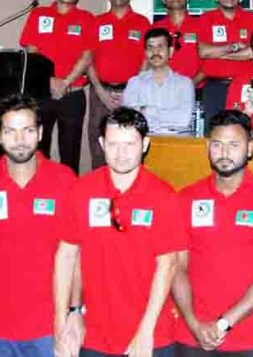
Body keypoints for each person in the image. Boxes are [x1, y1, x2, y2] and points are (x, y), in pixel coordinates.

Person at [53, 108, 184, 357]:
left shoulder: (164, 196)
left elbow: (167, 266)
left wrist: (146, 331)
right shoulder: (81, 190)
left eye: (129, 144)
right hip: (93, 335)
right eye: (113, 144)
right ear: (101, 143)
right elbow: (66, 256)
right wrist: (65, 320)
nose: (121, 154)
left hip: (151, 336)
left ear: (145, 144)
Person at [0, 94, 78, 356]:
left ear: (40, 133)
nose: (19, 140)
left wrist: (75, 311)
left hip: (49, 325)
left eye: (27, 130)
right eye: (10, 131)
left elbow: (75, 255)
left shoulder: (64, 180)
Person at [173, 110, 253, 356]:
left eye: (234, 145)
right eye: (217, 144)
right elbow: (176, 268)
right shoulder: (186, 198)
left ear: (250, 148)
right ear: (208, 146)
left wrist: (224, 322)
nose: (225, 153)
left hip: (250, 338)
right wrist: (193, 323)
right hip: (192, 336)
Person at [19, 0, 94, 174]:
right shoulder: (39, 14)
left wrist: (65, 82)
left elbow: (87, 56)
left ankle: (69, 200)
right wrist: (50, 80)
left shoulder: (86, 18)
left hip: (73, 96)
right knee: (39, 151)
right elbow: (31, 50)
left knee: (70, 154)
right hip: (41, 94)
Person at [87, 0, 152, 169]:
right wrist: (100, 89)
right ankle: (100, 193)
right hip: (100, 92)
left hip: (131, 93)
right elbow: (87, 58)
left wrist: (131, 90)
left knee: (130, 143)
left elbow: (146, 59)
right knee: (99, 145)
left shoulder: (142, 23)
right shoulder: (96, 22)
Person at [123, 28, 196, 134]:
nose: (155, 52)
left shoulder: (184, 83)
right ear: (145, 53)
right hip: (143, 144)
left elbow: (183, 120)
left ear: (170, 51)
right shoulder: (135, 83)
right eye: (150, 47)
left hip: (176, 145)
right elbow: (130, 120)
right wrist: (168, 117)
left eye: (160, 47)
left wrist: (146, 110)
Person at [198, 0, 253, 81]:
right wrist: (234, 46)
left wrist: (219, 55)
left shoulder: (251, 18)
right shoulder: (206, 18)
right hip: (215, 83)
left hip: (248, 82)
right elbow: (204, 52)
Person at [153, 0, 204, 86]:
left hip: (196, 91)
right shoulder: (156, 28)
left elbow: (209, 63)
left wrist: (190, 84)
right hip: (164, 91)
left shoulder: (201, 25)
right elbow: (151, 61)